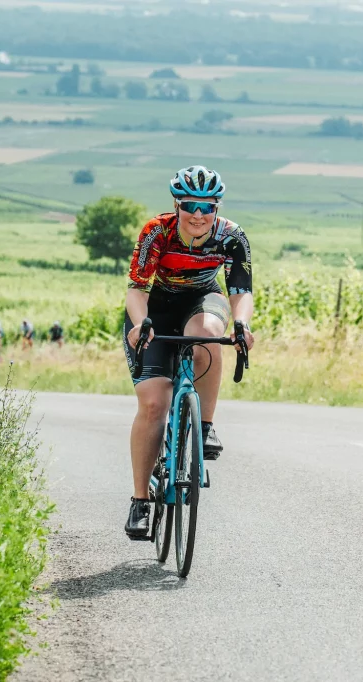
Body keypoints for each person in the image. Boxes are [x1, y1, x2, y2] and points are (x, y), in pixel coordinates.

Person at [122, 165, 255, 539]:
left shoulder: (232, 237)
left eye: (207, 206)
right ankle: (139, 501)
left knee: (208, 334)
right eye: (190, 205)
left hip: (202, 299)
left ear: (217, 207)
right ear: (177, 205)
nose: (198, 214)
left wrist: (242, 324)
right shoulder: (156, 232)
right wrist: (140, 323)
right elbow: (137, 287)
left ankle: (207, 426)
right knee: (153, 403)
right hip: (155, 308)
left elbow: (240, 290)